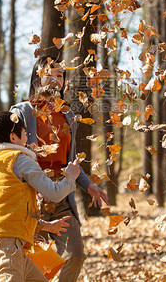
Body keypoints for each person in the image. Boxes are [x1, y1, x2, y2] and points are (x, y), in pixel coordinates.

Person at [10, 55, 110, 282]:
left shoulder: (68, 115)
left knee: (75, 255)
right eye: (51, 73)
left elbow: (70, 161)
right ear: (38, 74)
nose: (56, 79)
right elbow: (13, 154)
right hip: (31, 196)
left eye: (61, 75)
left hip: (63, 194)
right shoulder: (22, 112)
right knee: (30, 261)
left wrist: (89, 185)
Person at [0, 111, 81, 282]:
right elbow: (55, 193)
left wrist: (44, 226)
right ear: (13, 137)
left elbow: (5, 211)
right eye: (24, 132)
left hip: (3, 245)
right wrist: (71, 177)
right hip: (6, 248)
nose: (28, 136)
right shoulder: (20, 159)